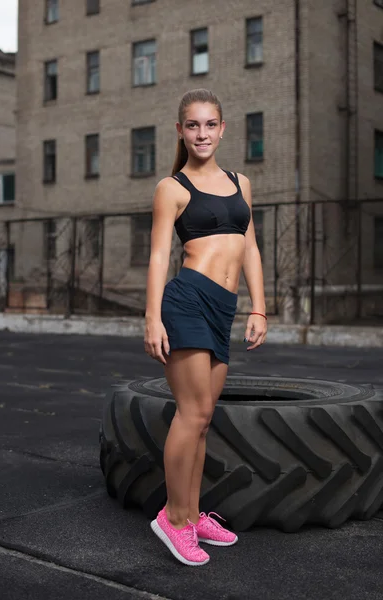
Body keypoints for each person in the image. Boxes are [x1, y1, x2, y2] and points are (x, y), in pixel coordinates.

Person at [144, 88, 267, 566]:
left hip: (223, 307)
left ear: (222, 128)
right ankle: (173, 521)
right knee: (191, 414)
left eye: (210, 124)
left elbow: (250, 247)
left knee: (203, 418)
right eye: (193, 125)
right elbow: (158, 256)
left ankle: (191, 515)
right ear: (180, 131)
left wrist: (259, 307)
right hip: (187, 301)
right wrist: (152, 316)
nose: (202, 133)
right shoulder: (172, 188)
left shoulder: (241, 182)